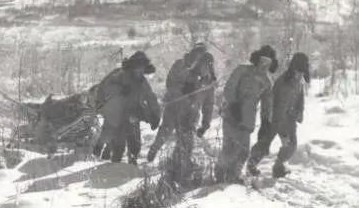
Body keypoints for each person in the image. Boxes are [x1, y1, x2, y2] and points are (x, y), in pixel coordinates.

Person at [147, 42, 216, 184]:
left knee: (186, 143)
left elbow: (208, 105)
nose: (204, 68)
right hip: (174, 107)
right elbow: (170, 83)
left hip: (190, 115)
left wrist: (205, 124)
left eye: (207, 66)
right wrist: (182, 90)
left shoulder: (208, 83)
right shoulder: (181, 66)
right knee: (166, 131)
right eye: (201, 63)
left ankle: (180, 171)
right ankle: (155, 148)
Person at [215, 45, 278, 183]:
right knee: (229, 150)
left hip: (247, 121)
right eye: (262, 60)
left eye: (268, 62)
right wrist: (233, 105)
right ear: (257, 59)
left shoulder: (267, 82)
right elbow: (229, 88)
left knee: (243, 153)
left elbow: (267, 105)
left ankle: (234, 177)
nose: (264, 65)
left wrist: (265, 122)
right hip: (231, 116)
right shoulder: (242, 70)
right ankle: (219, 176)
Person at [247, 52, 309, 178]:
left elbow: (300, 99)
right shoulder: (284, 81)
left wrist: (299, 113)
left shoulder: (299, 81)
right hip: (274, 118)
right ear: (294, 68)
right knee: (264, 144)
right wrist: (283, 131)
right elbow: (280, 106)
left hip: (289, 119)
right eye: (299, 71)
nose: (300, 74)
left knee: (291, 146)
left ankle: (278, 166)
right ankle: (251, 165)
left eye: (302, 72)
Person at [93, 51, 160, 164]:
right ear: (133, 66)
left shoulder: (142, 82)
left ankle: (132, 162)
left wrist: (155, 116)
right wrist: (119, 89)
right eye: (138, 67)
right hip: (117, 113)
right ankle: (108, 159)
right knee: (116, 143)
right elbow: (104, 86)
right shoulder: (120, 75)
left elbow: (151, 98)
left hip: (133, 115)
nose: (140, 70)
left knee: (135, 144)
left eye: (142, 67)